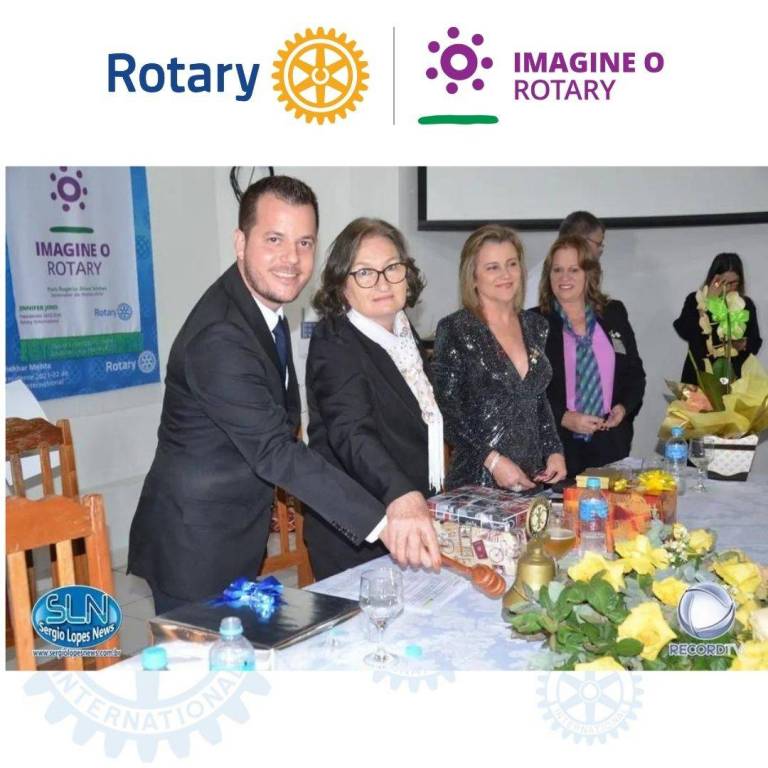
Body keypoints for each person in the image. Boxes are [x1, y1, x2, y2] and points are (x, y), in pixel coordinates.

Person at [128, 176, 440, 614]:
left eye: (304, 242)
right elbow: (275, 450)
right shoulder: (221, 335)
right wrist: (386, 518)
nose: (291, 259)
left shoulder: (263, 313)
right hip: (195, 545)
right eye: (274, 239)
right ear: (241, 243)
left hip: (235, 530)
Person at [304, 218, 444, 580]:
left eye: (392, 268)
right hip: (359, 533)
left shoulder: (403, 332)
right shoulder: (334, 341)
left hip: (410, 521)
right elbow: (351, 432)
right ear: (342, 285)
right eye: (365, 272)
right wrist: (401, 495)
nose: (382, 283)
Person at [433, 224, 566, 492]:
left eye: (512, 264)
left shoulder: (536, 325)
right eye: (492, 267)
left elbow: (537, 399)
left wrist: (554, 450)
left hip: (531, 480)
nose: (506, 275)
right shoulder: (456, 328)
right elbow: (445, 410)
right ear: (473, 277)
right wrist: (492, 460)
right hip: (478, 481)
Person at [534, 235, 645, 477]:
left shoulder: (614, 314)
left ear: (589, 274)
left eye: (574, 269)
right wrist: (563, 417)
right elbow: (528, 390)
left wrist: (624, 408)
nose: (564, 277)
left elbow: (634, 374)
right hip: (557, 449)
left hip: (611, 445)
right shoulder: (534, 323)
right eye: (557, 270)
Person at [673, 252, 762, 384]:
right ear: (713, 280)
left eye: (734, 282)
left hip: (734, 377)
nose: (729, 287)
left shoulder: (745, 304)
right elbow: (684, 330)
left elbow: (755, 342)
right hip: (700, 375)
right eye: (724, 282)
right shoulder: (695, 300)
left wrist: (743, 344)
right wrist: (708, 304)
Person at [524, 210, 605, 308]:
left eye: (574, 270)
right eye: (599, 244)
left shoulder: (588, 276)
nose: (601, 250)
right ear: (583, 241)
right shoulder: (536, 283)